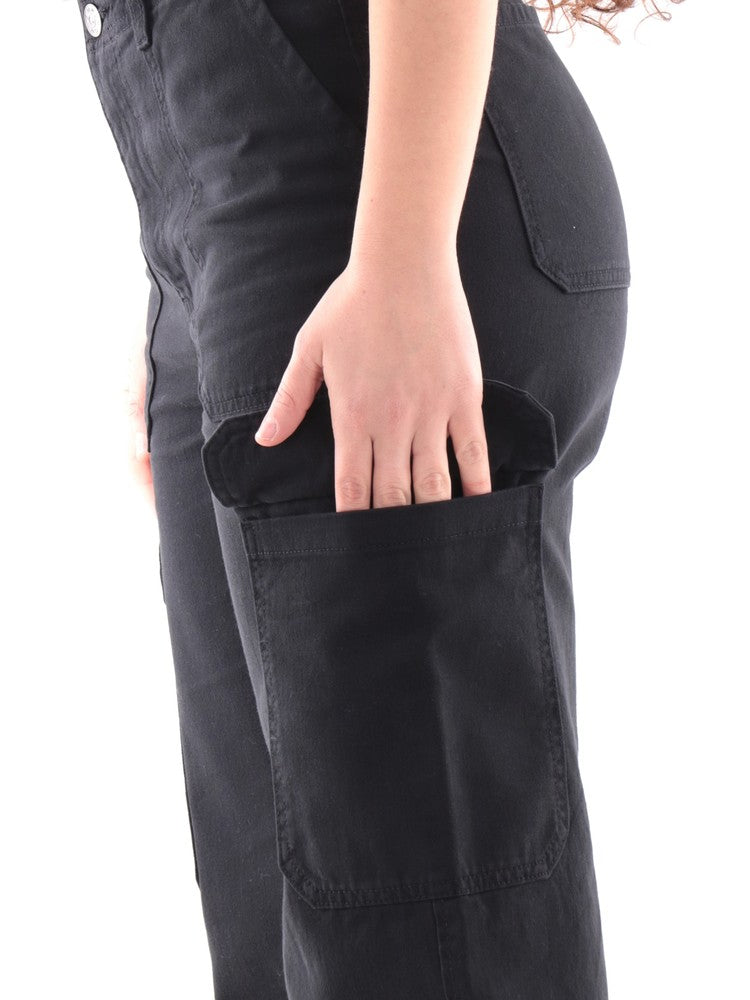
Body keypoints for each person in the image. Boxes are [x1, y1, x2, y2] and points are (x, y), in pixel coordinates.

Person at [76, 1, 674, 996]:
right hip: (238, 226)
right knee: (286, 941)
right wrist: (187, 302)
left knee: (423, 951)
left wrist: (404, 256)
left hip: (371, 199)